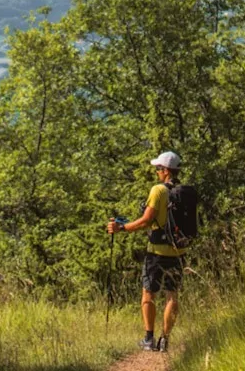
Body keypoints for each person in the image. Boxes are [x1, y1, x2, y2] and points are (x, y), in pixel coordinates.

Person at [107, 151, 186, 353]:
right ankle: (165, 340)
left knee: (148, 293)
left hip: (157, 252)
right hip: (179, 251)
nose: (157, 172)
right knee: (172, 296)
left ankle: (149, 339)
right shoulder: (184, 191)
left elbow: (146, 221)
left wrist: (122, 228)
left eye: (159, 169)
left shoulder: (158, 191)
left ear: (167, 170)